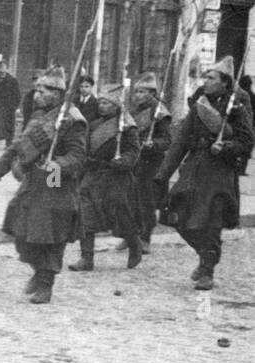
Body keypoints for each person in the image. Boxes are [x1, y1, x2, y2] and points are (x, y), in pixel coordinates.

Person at [0, 66, 87, 304]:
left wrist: (54, 166)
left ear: (58, 93)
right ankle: (38, 270)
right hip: (32, 182)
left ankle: (46, 283)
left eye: (43, 91)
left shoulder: (72, 120)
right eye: (36, 90)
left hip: (56, 183)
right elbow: (18, 145)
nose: (37, 95)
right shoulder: (37, 115)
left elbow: (77, 157)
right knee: (22, 234)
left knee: (51, 236)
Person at [156, 56, 255, 291]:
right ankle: (207, 255)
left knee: (210, 219)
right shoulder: (199, 104)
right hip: (194, 168)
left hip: (220, 171)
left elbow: (247, 139)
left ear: (224, 82)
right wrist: (163, 173)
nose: (206, 81)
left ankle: (207, 269)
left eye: (211, 78)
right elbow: (180, 141)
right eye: (206, 77)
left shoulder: (237, 105)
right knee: (177, 212)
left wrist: (226, 147)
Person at [69, 84, 142, 272]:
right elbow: (84, 148)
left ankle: (134, 245)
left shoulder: (126, 126)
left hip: (116, 176)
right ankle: (87, 258)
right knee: (85, 213)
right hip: (93, 174)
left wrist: (123, 160)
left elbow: (134, 151)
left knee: (120, 214)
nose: (101, 106)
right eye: (100, 102)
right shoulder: (93, 124)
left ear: (116, 106)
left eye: (106, 103)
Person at [125, 72, 171, 253]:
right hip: (135, 159)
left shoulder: (160, 111)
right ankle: (132, 235)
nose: (137, 95)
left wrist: (154, 144)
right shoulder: (134, 109)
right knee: (130, 198)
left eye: (142, 92)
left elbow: (168, 140)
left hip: (151, 162)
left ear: (152, 93)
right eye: (136, 92)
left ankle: (145, 237)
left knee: (146, 201)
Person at [0, 56, 20, 145]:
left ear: (7, 68)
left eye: (4, 67)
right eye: (0, 68)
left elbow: (17, 94)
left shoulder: (12, 80)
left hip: (9, 106)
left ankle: (9, 142)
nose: (2, 70)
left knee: (9, 124)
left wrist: (14, 106)